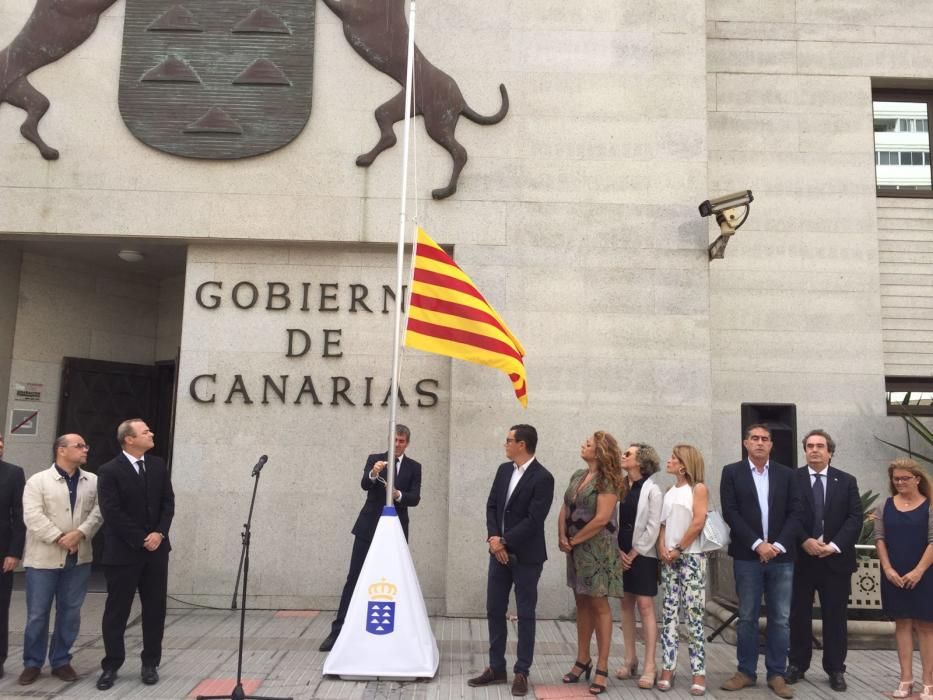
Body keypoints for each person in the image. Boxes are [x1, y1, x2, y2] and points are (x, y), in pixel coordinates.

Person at [468, 424, 554, 697]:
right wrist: (494, 539)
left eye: (509, 441)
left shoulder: (543, 478)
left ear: (523, 445)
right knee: (494, 608)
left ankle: (521, 671)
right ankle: (496, 667)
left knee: (525, 614)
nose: (505, 445)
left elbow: (534, 518)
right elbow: (492, 505)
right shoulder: (504, 470)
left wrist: (504, 541)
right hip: (498, 554)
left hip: (527, 557)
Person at [319, 424, 422, 652]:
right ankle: (337, 633)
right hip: (368, 528)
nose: (397, 444)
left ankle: (399, 635)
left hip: (396, 531)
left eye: (402, 441)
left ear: (407, 443)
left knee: (396, 581)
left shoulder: (414, 467)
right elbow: (365, 484)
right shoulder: (375, 459)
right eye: (394, 440)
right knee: (354, 578)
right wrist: (374, 473)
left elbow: (415, 498)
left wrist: (399, 495)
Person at [720, 423, 802, 699]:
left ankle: (777, 674)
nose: (759, 443)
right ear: (745, 443)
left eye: (764, 439)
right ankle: (745, 672)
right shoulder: (732, 472)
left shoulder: (787, 475)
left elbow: (796, 513)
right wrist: (758, 544)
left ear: (771, 445)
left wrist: (776, 545)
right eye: (754, 438)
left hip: (781, 556)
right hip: (748, 556)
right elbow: (730, 512)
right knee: (747, 617)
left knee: (780, 619)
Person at [96, 419, 175, 691]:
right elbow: (112, 511)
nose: (151, 434)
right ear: (129, 439)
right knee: (117, 610)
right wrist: (141, 538)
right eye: (145, 432)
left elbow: (168, 502)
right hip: (124, 552)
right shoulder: (109, 471)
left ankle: (150, 662)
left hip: (156, 551)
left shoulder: (157, 465)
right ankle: (111, 665)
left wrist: (159, 533)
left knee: (155, 609)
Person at [18, 434, 102, 686]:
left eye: (86, 445)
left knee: (70, 612)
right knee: (37, 614)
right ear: (61, 450)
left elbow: (99, 512)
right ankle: (32, 663)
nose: (85, 449)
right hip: (43, 559)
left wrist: (80, 533)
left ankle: (61, 660)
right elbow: (32, 516)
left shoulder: (93, 481)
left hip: (79, 559)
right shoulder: (38, 481)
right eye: (79, 446)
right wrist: (59, 537)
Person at [786, 429, 861, 692]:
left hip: (835, 562)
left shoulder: (847, 480)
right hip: (801, 559)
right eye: (809, 446)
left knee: (835, 617)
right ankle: (797, 664)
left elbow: (855, 518)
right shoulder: (791, 479)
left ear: (830, 451)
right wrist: (804, 540)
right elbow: (785, 516)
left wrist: (834, 545)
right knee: (798, 615)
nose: (814, 450)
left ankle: (835, 669)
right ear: (804, 450)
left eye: (820, 446)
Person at [557, 431, 625, 695]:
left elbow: (601, 518)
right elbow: (564, 507)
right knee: (581, 602)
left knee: (599, 604)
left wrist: (574, 541)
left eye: (588, 444)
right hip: (575, 547)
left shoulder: (608, 480)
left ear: (599, 451)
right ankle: (582, 659)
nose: (582, 445)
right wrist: (562, 535)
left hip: (598, 549)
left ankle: (603, 667)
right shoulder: (577, 475)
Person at [873, 458, 933, 700]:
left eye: (904, 478)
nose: (899, 482)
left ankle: (928, 682)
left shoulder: (930, 507)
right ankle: (905, 679)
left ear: (917, 479)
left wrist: (918, 571)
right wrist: (887, 569)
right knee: (902, 625)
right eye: (895, 479)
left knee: (927, 627)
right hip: (894, 576)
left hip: (925, 575)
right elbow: (879, 540)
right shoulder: (883, 506)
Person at [657, 444, 709, 696]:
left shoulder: (697, 489)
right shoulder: (669, 491)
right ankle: (668, 667)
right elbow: (663, 525)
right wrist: (662, 548)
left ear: (684, 464)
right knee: (668, 613)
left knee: (694, 615)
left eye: (674, 458)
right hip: (669, 559)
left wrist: (678, 547)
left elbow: (698, 521)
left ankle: (699, 672)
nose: (669, 461)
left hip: (691, 557)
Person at [615, 442, 662, 689]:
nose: (623, 456)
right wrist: (619, 551)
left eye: (628, 454)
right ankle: (630, 658)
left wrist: (633, 553)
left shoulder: (653, 490)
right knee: (625, 604)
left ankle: (650, 665)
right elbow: (612, 520)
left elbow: (654, 527)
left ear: (641, 461)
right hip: (620, 553)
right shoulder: (620, 486)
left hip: (643, 555)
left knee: (645, 605)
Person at [0, 432, 25, 680]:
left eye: (1, 441)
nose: (0, 446)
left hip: (2, 552)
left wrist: (14, 552)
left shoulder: (13, 473)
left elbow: (19, 516)